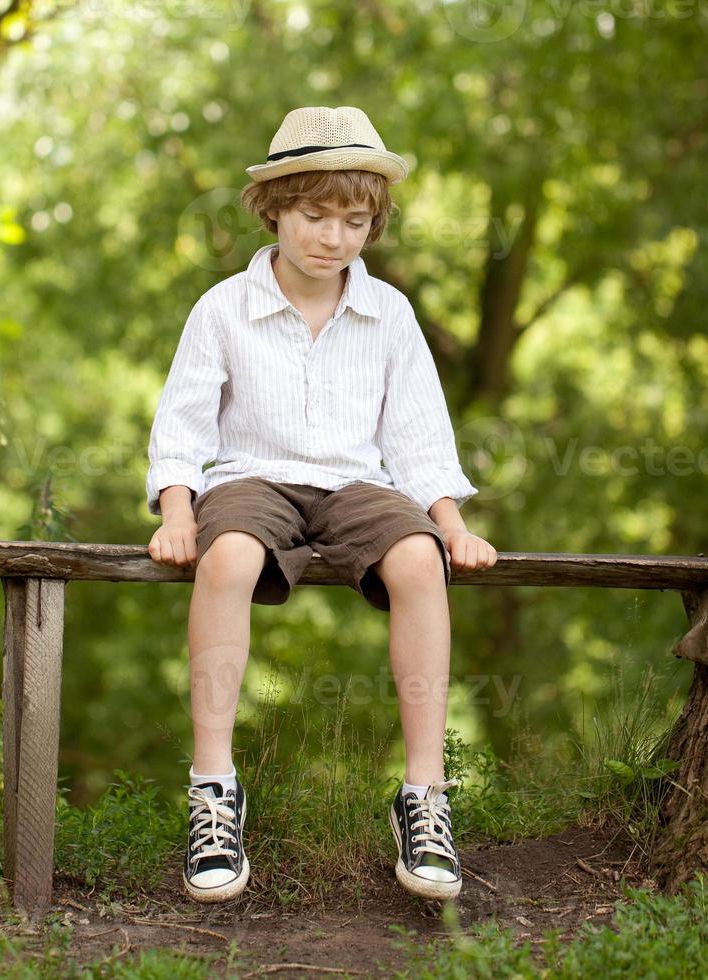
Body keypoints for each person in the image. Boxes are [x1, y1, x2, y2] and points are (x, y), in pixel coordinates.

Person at [145, 105, 498, 904]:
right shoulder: (222, 308)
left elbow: (417, 436)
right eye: (313, 214)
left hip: (357, 484)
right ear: (273, 208)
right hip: (252, 478)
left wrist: (451, 525)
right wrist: (176, 512)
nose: (332, 237)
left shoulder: (390, 315)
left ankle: (425, 797)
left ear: (372, 225)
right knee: (226, 554)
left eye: (354, 219)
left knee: (418, 561)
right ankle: (212, 792)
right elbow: (183, 423)